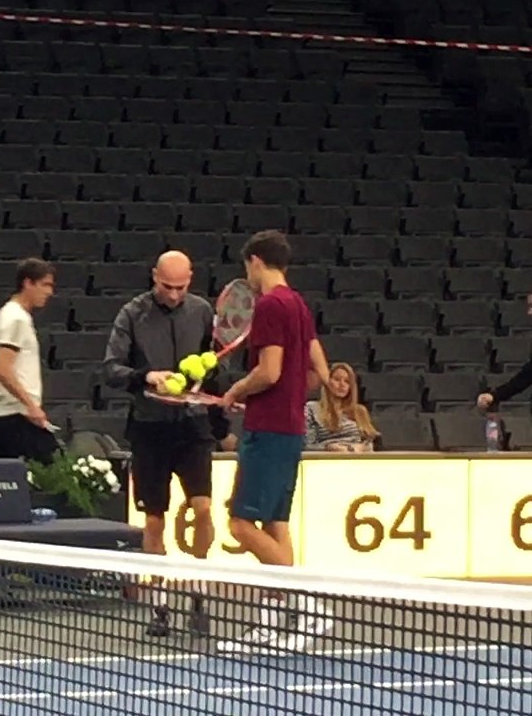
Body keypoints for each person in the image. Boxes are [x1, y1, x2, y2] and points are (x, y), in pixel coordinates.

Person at [103, 251, 234, 637]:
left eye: (181, 287)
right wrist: (148, 377)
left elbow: (219, 367)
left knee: (203, 509)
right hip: (148, 428)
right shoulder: (131, 314)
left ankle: (198, 595)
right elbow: (111, 369)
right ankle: (159, 607)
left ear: (190, 279)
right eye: (167, 287)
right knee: (155, 520)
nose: (174, 295)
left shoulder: (202, 312)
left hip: (193, 428)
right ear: (154, 277)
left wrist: (208, 372)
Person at [217, 230, 333, 654]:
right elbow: (320, 371)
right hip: (290, 428)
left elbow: (269, 371)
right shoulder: (299, 305)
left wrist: (236, 392)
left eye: (247, 265)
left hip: (268, 432)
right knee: (275, 524)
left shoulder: (268, 304)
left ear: (255, 261)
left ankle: (311, 605)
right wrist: (281, 399)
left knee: (240, 525)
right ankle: (270, 625)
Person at [0, 257, 58, 464]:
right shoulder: (14, 317)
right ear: (28, 283)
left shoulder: (17, 316)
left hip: (16, 413)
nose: (49, 292)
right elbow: (3, 368)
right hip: (14, 415)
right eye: (45, 285)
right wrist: (31, 406)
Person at [304, 363, 378, 452]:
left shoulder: (359, 410)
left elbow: (369, 443)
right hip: (326, 458)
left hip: (356, 457)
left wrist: (360, 448)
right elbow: (308, 445)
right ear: (328, 382)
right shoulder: (312, 408)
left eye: (347, 381)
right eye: (337, 379)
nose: (342, 384)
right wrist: (329, 448)